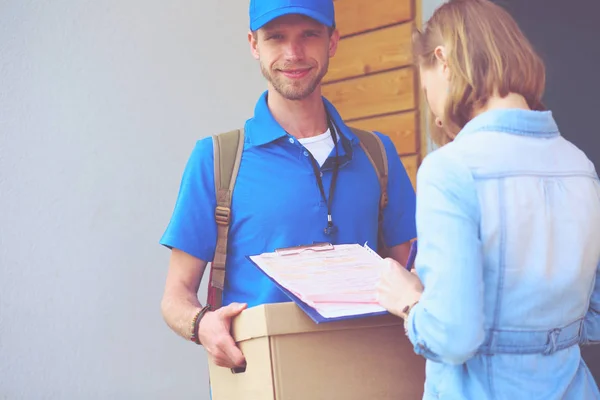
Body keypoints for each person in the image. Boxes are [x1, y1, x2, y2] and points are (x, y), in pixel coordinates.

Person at [160, 0, 417, 370]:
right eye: (276, 37)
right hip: (264, 378)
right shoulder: (216, 159)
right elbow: (175, 296)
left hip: (370, 375)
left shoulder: (377, 154)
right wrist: (202, 324)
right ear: (254, 44)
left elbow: (409, 274)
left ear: (332, 41)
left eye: (308, 35)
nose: (292, 54)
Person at [376, 0, 600, 398]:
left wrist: (409, 300)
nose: (434, 111)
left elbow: (453, 337)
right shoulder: (581, 167)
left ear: (442, 61)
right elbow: (594, 315)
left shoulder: (450, 170)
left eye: (426, 87)